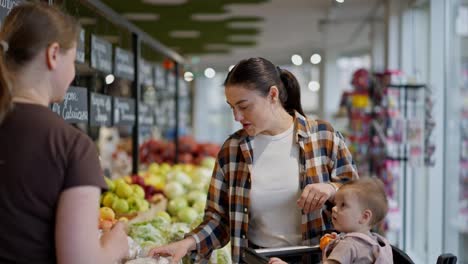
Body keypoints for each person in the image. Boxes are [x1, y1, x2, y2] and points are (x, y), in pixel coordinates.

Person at [149, 57, 359, 263]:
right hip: (255, 259)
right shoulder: (232, 150)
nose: (237, 117)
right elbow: (219, 220)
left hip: (316, 258)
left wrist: (331, 188)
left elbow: (360, 197)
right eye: (232, 107)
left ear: (273, 95)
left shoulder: (323, 136)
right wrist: (186, 244)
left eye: (244, 106)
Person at [0, 3, 128, 264]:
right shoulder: (71, 145)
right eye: (74, 60)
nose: (72, 73)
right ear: (54, 55)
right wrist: (114, 246)